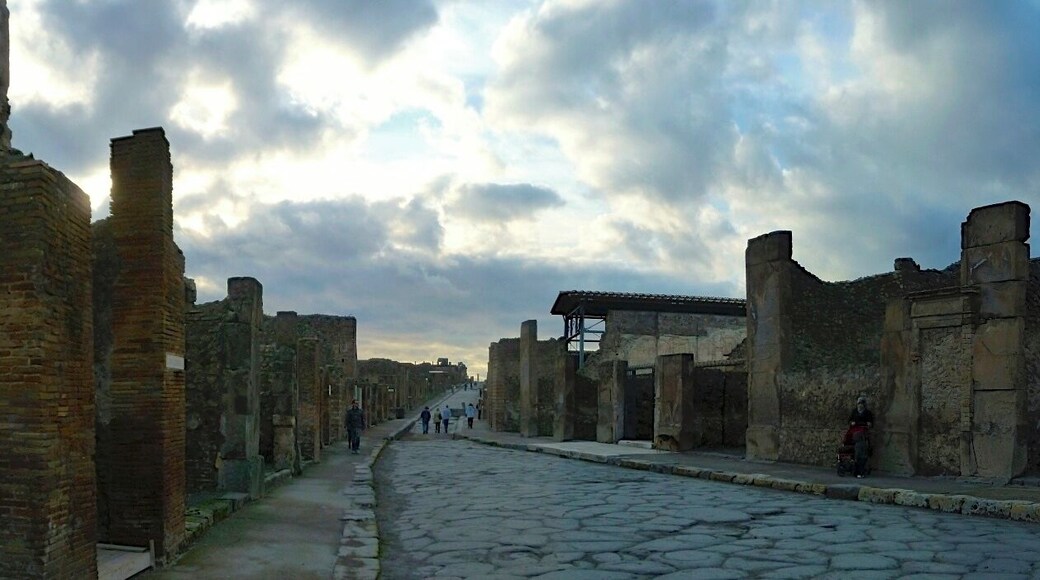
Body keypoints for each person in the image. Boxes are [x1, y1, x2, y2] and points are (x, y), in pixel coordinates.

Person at [848, 395, 873, 478]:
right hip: (854, 433)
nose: (860, 405)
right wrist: (852, 423)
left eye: (861, 403)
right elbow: (850, 420)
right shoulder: (854, 412)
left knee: (861, 453)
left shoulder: (868, 413)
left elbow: (870, 423)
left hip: (862, 435)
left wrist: (868, 424)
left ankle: (860, 471)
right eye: (859, 403)